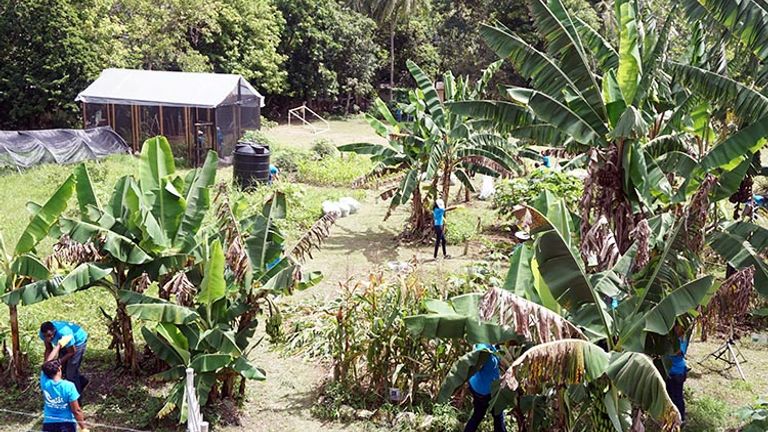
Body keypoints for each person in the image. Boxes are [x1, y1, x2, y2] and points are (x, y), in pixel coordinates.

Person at [40, 321, 89, 399]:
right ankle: (82, 381)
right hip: (63, 344)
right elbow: (48, 349)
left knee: (71, 374)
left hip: (77, 343)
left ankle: (76, 400)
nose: (48, 339)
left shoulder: (64, 333)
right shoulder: (43, 334)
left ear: (54, 331)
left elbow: (72, 352)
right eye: (45, 336)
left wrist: (58, 362)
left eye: (49, 335)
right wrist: (46, 364)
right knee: (62, 370)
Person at [464, 344, 506, 432]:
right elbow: (476, 364)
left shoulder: (487, 343)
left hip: (477, 387)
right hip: (486, 391)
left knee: (478, 415)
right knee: (498, 416)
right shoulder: (482, 350)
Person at [40, 359, 88, 432]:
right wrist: (83, 428)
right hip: (67, 424)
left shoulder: (44, 382)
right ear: (59, 369)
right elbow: (76, 410)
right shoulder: (69, 386)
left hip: (48, 423)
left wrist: (57, 347)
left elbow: (47, 362)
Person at [666, 323, 688, 424]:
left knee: (677, 396)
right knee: (669, 396)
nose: (674, 328)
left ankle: (681, 418)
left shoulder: (682, 339)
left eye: (676, 326)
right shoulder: (669, 337)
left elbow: (679, 352)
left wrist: (667, 348)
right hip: (668, 370)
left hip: (678, 372)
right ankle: (671, 418)